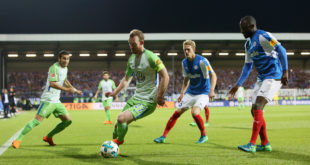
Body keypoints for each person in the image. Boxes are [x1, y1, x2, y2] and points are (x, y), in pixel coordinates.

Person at [229, 16, 288, 153]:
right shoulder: (248, 44)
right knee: (254, 111)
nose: (241, 31)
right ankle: (265, 143)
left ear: (251, 26)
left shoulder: (263, 36)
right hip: (262, 79)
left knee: (257, 105)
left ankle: (252, 144)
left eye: (243, 28)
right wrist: (238, 84)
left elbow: (282, 51)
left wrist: (285, 71)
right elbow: (247, 66)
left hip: (274, 76)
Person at [105, 29, 169, 148]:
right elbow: (126, 80)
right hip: (135, 98)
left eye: (134, 44)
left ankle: (118, 142)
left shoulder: (151, 57)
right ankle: (114, 148)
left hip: (147, 101)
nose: (131, 47)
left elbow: (165, 76)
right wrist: (114, 92)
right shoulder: (131, 59)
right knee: (116, 126)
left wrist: (159, 96)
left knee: (121, 118)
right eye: (130, 44)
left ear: (142, 42)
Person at [12, 50, 83, 149]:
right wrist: (67, 89)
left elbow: (65, 80)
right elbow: (52, 84)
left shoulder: (65, 68)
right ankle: (18, 139)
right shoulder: (54, 68)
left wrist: (75, 90)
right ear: (59, 59)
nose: (66, 61)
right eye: (64, 58)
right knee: (37, 121)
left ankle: (48, 137)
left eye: (68, 59)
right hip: (48, 100)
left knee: (67, 121)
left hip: (56, 101)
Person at [154, 40, 217, 144]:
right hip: (191, 92)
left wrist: (212, 90)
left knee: (194, 112)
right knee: (176, 114)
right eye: (185, 50)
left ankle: (204, 135)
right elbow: (186, 79)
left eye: (188, 49)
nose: (186, 52)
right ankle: (163, 136)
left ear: (194, 49)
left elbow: (213, 75)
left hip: (203, 92)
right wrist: (182, 93)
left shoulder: (202, 61)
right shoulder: (184, 63)